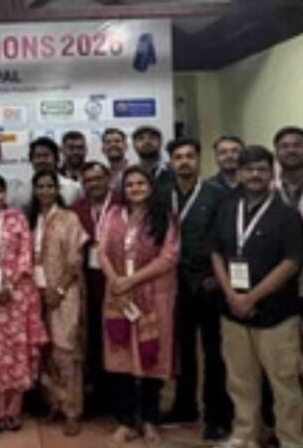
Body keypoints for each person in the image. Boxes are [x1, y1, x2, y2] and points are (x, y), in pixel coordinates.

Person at [211, 146, 303, 448]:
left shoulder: (287, 215)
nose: (255, 175)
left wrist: (250, 298)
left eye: (261, 169)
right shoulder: (226, 209)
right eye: (248, 169)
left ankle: (291, 439)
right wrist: (231, 295)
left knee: (285, 382)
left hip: (277, 314)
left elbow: (291, 262)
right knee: (240, 380)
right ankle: (246, 434)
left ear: (271, 173)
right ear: (239, 174)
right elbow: (216, 253)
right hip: (233, 313)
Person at [98, 165, 178, 445]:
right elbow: (102, 251)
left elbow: (169, 257)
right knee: (121, 359)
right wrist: (116, 281)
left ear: (151, 187)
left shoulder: (164, 216)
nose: (135, 189)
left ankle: (150, 420)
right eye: (130, 184)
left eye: (141, 183)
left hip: (153, 298)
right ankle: (126, 421)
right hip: (118, 297)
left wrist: (132, 280)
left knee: (151, 359)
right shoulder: (112, 214)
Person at [162, 138, 232, 440]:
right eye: (178, 157)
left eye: (190, 156)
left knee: (214, 351)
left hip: (208, 282)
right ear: (171, 162)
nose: (184, 162)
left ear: (199, 159)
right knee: (182, 349)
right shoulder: (163, 194)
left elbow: (228, 237)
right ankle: (184, 405)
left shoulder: (217, 194)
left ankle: (217, 415)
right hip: (172, 283)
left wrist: (219, 275)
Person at [0, 174, 47, 431]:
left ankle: (15, 410)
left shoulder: (17, 219)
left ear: (5, 194)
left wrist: (11, 284)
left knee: (18, 350)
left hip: (17, 295)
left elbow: (25, 255)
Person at [28, 169, 88, 436]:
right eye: (40, 186)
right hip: (36, 293)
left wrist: (59, 289)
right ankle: (54, 403)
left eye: (49, 186)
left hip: (65, 293)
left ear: (57, 190)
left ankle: (72, 411)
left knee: (66, 351)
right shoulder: (31, 219)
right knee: (46, 351)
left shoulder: (69, 218)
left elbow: (75, 260)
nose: (44, 191)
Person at [70, 161, 117, 416]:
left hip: (117, 281)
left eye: (98, 178)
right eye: (88, 180)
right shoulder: (76, 210)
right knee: (92, 339)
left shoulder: (121, 205)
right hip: (87, 284)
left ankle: (117, 396)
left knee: (116, 337)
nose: (93, 184)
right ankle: (96, 395)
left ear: (108, 179)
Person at [10, 137, 81, 209]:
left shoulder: (72, 189)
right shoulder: (22, 193)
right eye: (38, 156)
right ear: (31, 160)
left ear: (56, 159)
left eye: (46, 156)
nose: (42, 160)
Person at [273, 126, 303, 213]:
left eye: (297, 145)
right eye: (284, 146)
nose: (291, 150)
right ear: (276, 153)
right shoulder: (266, 186)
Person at [101, 128, 129, 194]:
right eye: (108, 142)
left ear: (126, 146)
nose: (113, 145)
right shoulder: (101, 175)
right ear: (103, 149)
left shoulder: (136, 171)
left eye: (117, 141)